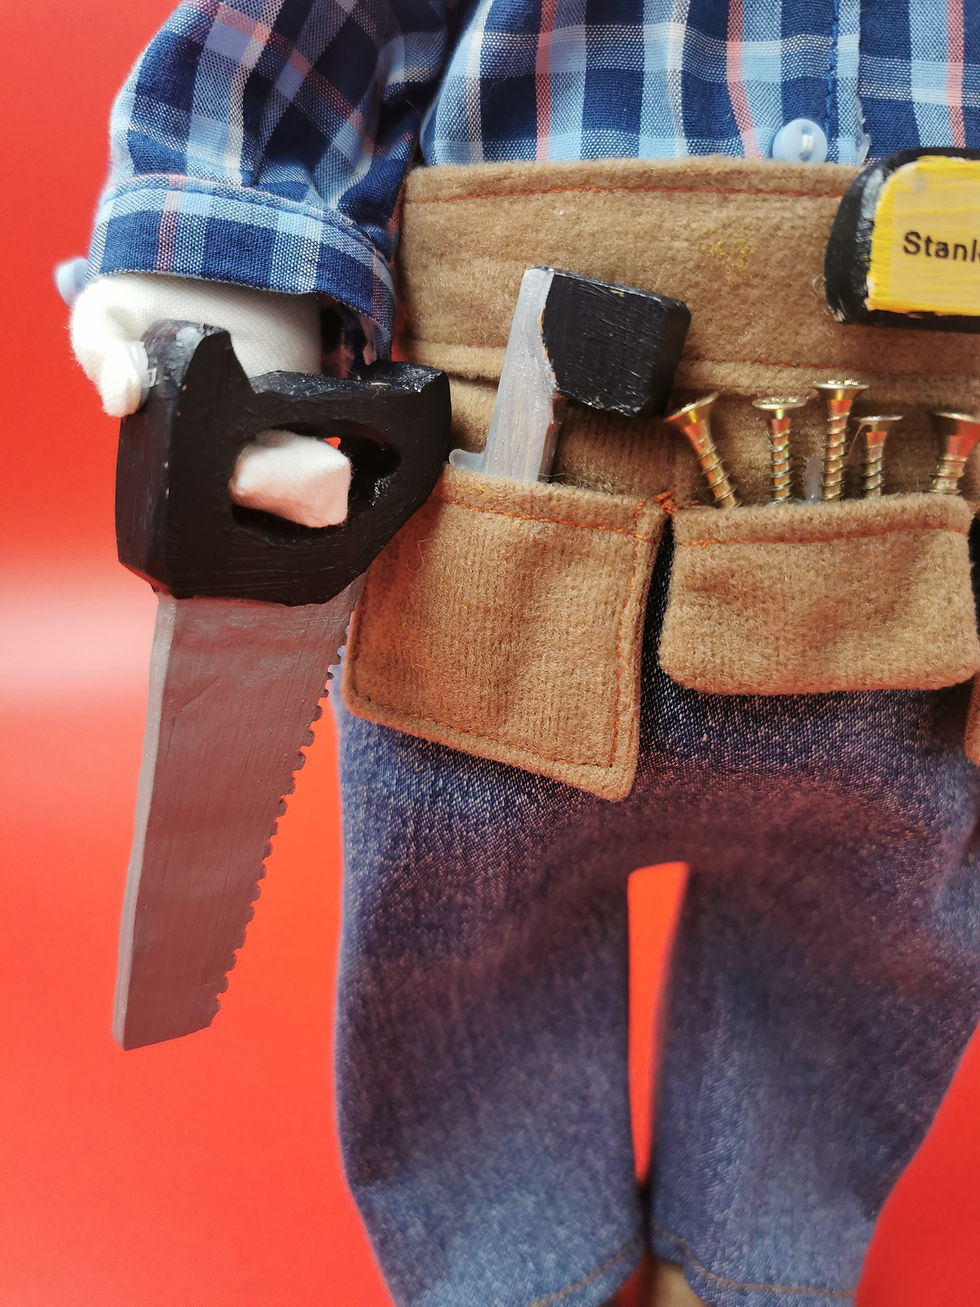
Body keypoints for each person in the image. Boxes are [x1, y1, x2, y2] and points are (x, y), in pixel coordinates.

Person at [70, 4, 980, 1305]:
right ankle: (514, 1268)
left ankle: (758, 1259)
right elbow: (304, 42)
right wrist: (220, 314)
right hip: (508, 512)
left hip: (918, 546)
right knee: (464, 935)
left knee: (872, 945)